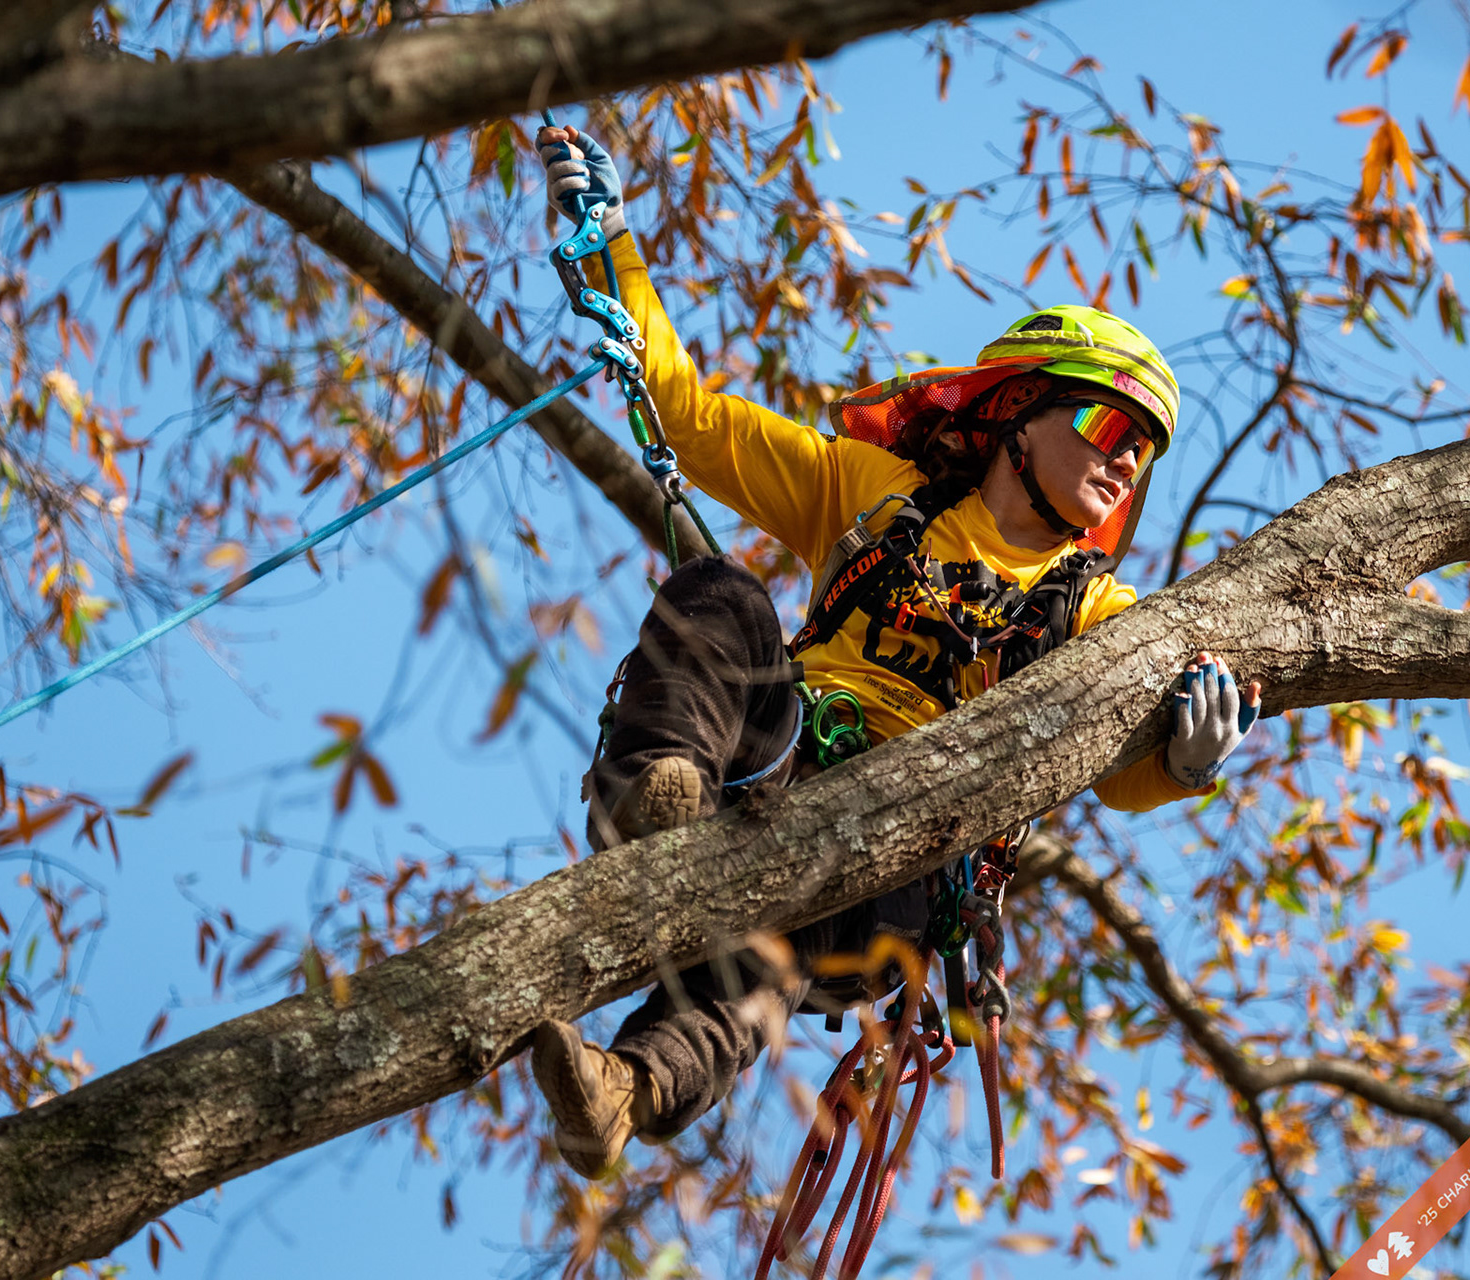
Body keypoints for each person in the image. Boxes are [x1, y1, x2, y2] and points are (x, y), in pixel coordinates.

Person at [527, 125, 1261, 1178]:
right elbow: (688, 416)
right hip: (773, 773)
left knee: (765, 967)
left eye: (1143, 454)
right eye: (1109, 424)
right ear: (1019, 410)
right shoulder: (876, 498)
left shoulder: (1099, 608)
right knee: (720, 593)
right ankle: (656, 800)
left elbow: (1122, 768)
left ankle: (630, 1089)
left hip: (902, 866)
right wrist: (610, 241)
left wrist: (1185, 763)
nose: (1125, 462)